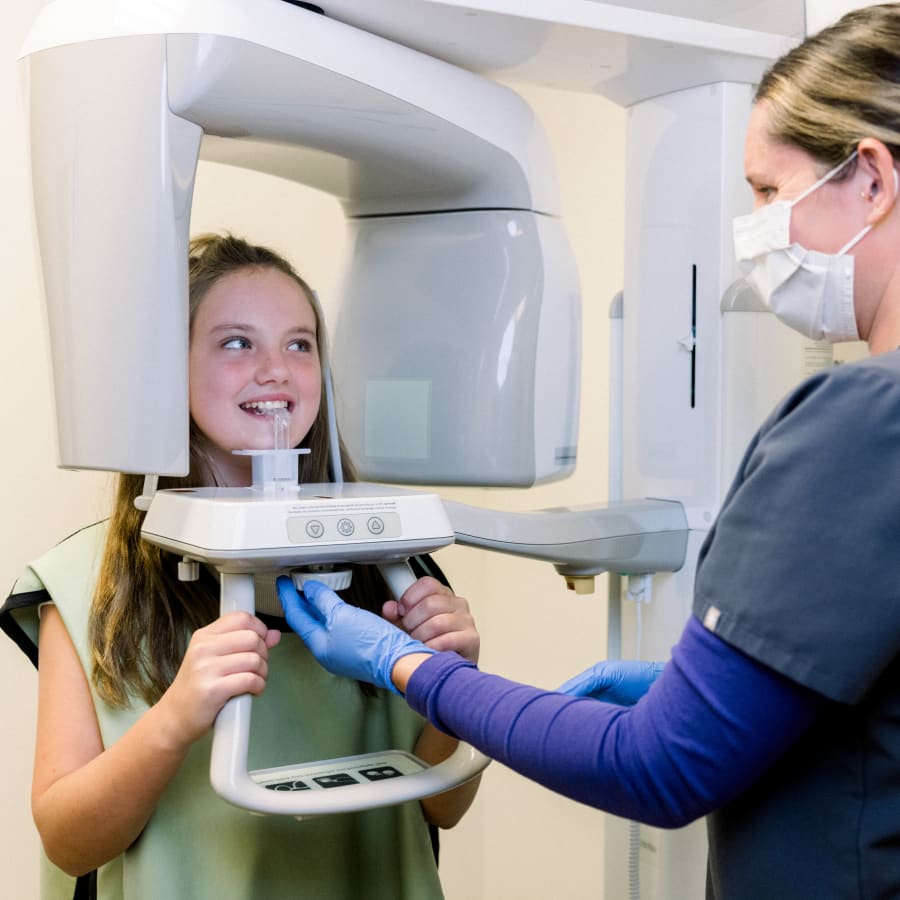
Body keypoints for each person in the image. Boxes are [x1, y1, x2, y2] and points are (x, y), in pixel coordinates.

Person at [275, 5, 900, 898]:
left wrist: (408, 667)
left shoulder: (862, 418)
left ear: (870, 178)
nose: (754, 228)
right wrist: (701, 689)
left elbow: (656, 770)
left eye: (767, 193)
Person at [0, 233, 480, 900]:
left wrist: (456, 689)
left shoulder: (391, 568)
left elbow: (444, 807)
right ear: (169, 371)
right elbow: (68, 839)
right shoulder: (84, 588)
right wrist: (174, 721)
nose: (277, 369)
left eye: (300, 343)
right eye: (236, 342)